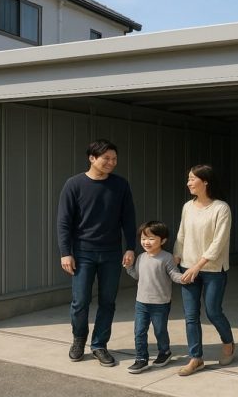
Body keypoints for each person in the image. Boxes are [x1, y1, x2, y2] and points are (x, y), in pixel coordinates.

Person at [57, 139, 136, 367]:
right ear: (92, 158)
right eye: (106, 158)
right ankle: (79, 340)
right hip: (83, 253)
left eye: (114, 159)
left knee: (107, 301)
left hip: (111, 253)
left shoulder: (120, 185)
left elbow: (128, 219)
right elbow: (64, 222)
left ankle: (99, 345)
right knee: (80, 301)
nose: (111, 162)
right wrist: (65, 252)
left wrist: (130, 247)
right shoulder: (74, 184)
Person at [173, 164, 235, 376]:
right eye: (188, 179)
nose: (188, 183)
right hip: (187, 267)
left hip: (213, 270)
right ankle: (196, 358)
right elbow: (181, 235)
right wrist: (175, 258)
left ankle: (228, 344)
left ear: (205, 181)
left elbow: (219, 242)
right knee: (190, 315)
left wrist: (198, 266)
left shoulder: (221, 208)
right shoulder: (187, 207)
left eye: (192, 179)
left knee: (213, 312)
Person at [124, 221, 184, 374]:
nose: (146, 242)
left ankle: (165, 352)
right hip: (141, 302)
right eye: (143, 238)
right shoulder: (141, 257)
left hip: (160, 303)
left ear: (162, 240)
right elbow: (137, 275)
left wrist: (184, 278)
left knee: (160, 330)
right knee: (139, 331)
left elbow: (174, 274)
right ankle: (141, 358)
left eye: (151, 238)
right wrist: (129, 267)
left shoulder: (167, 258)